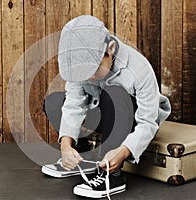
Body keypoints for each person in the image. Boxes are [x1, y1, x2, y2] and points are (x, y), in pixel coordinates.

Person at [41, 15, 171, 199]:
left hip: (132, 120)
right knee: (54, 102)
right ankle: (83, 160)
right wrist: (66, 146)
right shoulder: (79, 66)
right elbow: (73, 105)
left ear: (110, 48)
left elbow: (148, 123)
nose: (90, 76)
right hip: (102, 112)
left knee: (114, 94)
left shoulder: (139, 68)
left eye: (93, 69)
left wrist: (124, 150)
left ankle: (112, 176)